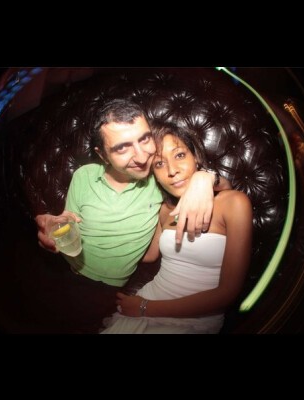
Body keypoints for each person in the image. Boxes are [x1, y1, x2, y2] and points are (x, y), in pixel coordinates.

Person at [35, 99, 231, 287]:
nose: (142, 157)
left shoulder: (158, 177)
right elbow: (69, 221)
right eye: (122, 148)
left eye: (145, 139)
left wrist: (204, 178)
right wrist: (54, 227)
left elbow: (226, 189)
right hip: (61, 268)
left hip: (102, 288)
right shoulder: (83, 175)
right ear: (103, 155)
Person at [100, 121, 253, 333]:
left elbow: (227, 293)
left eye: (179, 155)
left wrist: (145, 308)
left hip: (190, 318)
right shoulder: (164, 209)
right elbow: (149, 255)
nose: (172, 170)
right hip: (147, 300)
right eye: (159, 164)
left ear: (195, 157)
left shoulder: (234, 203)